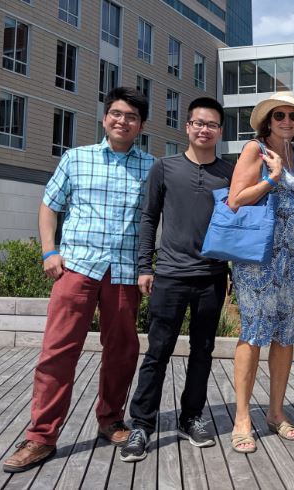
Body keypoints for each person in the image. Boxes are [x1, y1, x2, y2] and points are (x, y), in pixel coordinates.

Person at [2, 88, 153, 473]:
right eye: (116, 114)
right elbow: (50, 205)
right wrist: (49, 251)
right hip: (78, 270)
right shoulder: (76, 158)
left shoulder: (152, 167)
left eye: (131, 116)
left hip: (122, 274)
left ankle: (110, 419)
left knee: (122, 351)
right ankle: (41, 436)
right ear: (105, 118)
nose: (123, 121)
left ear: (141, 125)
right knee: (57, 351)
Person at [119, 98, 234, 462]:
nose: (205, 129)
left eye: (212, 124)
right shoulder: (164, 168)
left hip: (212, 277)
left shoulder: (229, 173)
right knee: (158, 352)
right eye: (198, 123)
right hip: (169, 275)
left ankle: (191, 417)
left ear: (220, 131)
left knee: (203, 352)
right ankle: (141, 423)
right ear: (187, 127)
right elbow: (149, 218)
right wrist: (144, 266)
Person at [227, 92, 294, 453]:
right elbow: (235, 198)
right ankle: (242, 417)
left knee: (284, 335)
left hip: (291, 262)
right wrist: (272, 178)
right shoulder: (256, 151)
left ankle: (276, 411)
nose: (286, 121)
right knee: (253, 333)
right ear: (268, 121)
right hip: (258, 261)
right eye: (279, 115)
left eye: (293, 116)